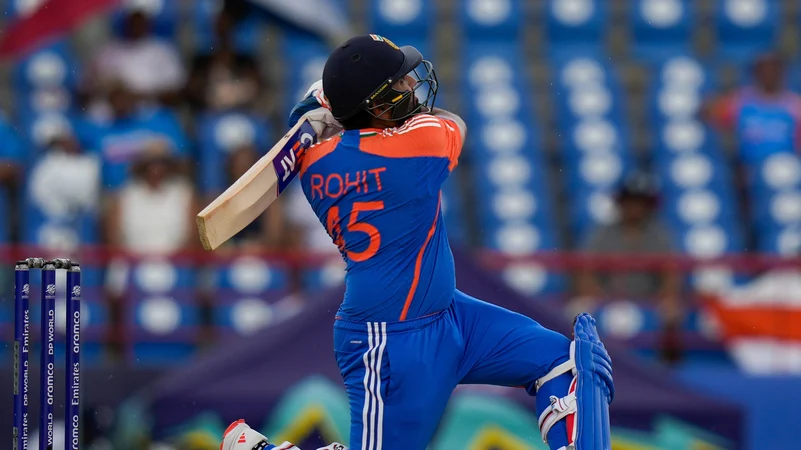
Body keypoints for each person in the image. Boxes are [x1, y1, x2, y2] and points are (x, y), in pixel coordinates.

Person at [226, 35, 614, 450]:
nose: (411, 86)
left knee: (562, 362)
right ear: (375, 105)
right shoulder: (419, 148)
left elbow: (326, 131)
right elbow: (452, 122)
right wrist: (320, 108)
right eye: (400, 83)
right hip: (389, 343)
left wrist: (315, 115)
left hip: (449, 314)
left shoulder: (315, 163)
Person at [575, 172, 682, 362]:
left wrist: (663, 296)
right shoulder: (602, 233)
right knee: (578, 310)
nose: (635, 207)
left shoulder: (660, 234)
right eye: (630, 201)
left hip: (649, 298)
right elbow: (587, 271)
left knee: (673, 310)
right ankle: (579, 364)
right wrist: (598, 296)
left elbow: (669, 273)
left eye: (640, 202)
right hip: (607, 296)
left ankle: (669, 367)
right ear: (621, 203)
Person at [702, 52, 801, 163]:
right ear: (755, 74)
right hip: (747, 166)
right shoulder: (740, 100)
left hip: (786, 166)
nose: (769, 75)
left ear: (782, 73)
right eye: (764, 71)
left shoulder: (795, 104)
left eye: (774, 70)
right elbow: (708, 113)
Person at [87, 6, 185, 105]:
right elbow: (90, 84)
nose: (136, 24)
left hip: (151, 113)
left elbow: (175, 91)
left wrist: (135, 96)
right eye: (133, 19)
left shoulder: (163, 51)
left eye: (140, 19)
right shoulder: (109, 50)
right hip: (109, 114)